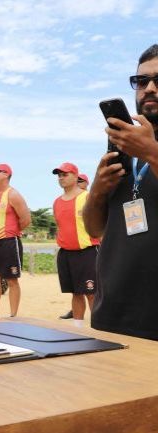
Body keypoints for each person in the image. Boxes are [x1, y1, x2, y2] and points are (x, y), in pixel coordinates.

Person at [84, 44, 158, 341]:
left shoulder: (142, 148)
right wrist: (98, 192)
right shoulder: (124, 150)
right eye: (141, 81)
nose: (149, 88)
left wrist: (151, 152)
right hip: (111, 316)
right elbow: (93, 227)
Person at [51, 162, 99, 326]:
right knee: (76, 293)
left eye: (65, 174)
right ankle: (78, 329)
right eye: (59, 175)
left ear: (75, 175)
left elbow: (101, 224)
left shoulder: (87, 197)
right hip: (66, 254)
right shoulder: (57, 202)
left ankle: (99, 329)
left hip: (87, 252)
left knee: (92, 294)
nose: (61, 178)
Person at [0, 163, 30, 318]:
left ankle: (13, 315)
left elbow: (26, 219)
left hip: (9, 242)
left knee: (12, 280)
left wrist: (14, 231)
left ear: (6, 174)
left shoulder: (13, 195)